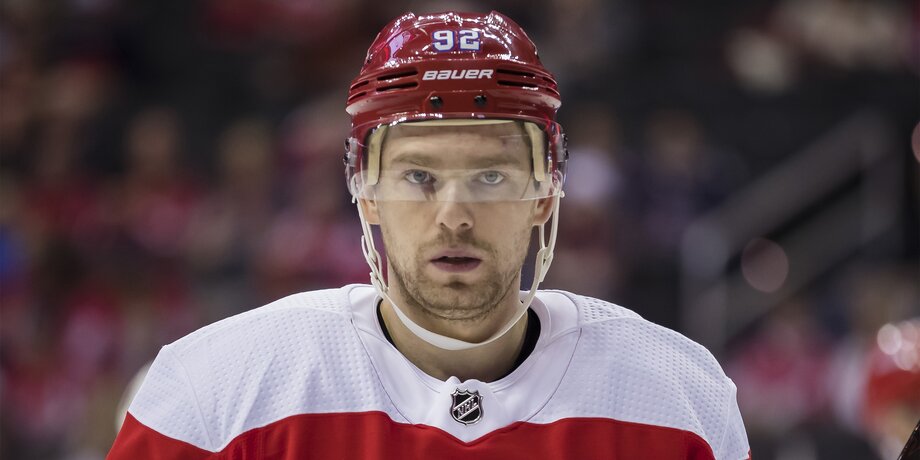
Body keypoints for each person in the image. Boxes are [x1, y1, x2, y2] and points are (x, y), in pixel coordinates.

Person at [107, 11, 750, 459]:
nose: (454, 215)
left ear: (546, 192)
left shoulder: (677, 397)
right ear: (366, 191)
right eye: (419, 175)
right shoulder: (219, 390)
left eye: (491, 175)